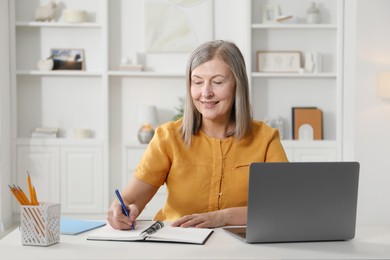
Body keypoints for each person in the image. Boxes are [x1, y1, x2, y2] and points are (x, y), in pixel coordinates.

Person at [107, 40, 288, 230]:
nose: (206, 92)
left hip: (241, 245)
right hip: (178, 242)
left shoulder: (266, 138)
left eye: (217, 82)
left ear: (238, 85)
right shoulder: (167, 137)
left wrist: (224, 217)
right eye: (197, 82)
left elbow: (283, 207)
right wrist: (120, 212)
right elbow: (130, 201)